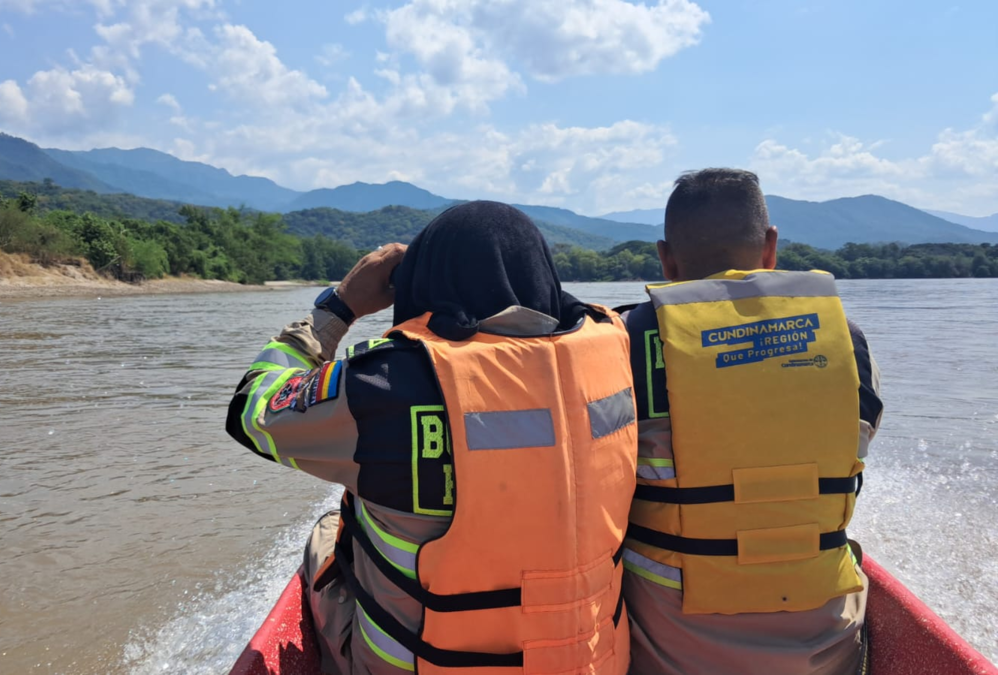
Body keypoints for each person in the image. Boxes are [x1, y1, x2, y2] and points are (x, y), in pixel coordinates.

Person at [226, 201, 639, 675]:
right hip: (600, 663)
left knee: (327, 529)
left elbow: (250, 410)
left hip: (425, 666)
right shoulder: (616, 354)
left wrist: (339, 307)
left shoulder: (386, 383)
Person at [615, 169, 884, 675]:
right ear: (770, 247)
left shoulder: (623, 339)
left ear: (665, 258)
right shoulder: (848, 341)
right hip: (825, 647)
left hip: (670, 649)